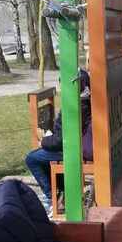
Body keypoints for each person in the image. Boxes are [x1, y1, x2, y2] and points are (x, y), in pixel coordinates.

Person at [25, 69, 93, 212]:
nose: (61, 87)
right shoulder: (86, 99)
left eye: (62, 83)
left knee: (32, 158)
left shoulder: (76, 107)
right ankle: (62, 191)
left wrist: (43, 141)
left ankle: (54, 198)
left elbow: (60, 141)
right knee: (42, 155)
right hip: (76, 145)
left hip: (74, 150)